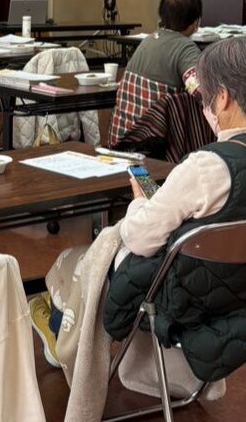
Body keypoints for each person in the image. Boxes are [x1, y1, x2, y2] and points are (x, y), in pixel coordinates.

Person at [31, 36, 246, 378]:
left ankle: (59, 335)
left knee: (75, 260)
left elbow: (140, 239)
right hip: (236, 300)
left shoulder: (206, 167)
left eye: (206, 97)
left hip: (181, 300)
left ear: (222, 98)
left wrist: (141, 202)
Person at [109, 0, 203, 149]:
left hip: (119, 141)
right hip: (153, 148)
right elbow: (200, 91)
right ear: (195, 22)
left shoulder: (147, 41)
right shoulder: (185, 48)